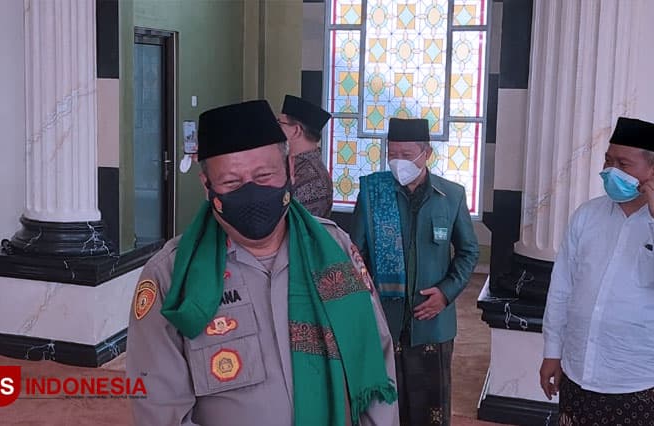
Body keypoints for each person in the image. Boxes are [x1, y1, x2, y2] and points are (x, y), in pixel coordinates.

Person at [126, 99, 399, 426]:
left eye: (264, 175)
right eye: (231, 182)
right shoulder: (170, 277)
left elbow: (376, 361)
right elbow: (159, 409)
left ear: (290, 170)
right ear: (207, 187)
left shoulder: (336, 250)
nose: (251, 192)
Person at [540, 117, 654, 425]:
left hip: (641, 380)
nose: (611, 171)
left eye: (623, 164)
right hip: (578, 370)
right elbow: (562, 288)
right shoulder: (587, 215)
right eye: (608, 161)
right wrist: (552, 351)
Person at [351, 117, 479, 426]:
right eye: (392, 153)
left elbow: (468, 252)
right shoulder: (373, 193)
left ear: (427, 153)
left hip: (432, 322)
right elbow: (355, 256)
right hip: (384, 320)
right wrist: (367, 302)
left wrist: (446, 293)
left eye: (406, 155)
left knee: (430, 408)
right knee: (386, 407)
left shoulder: (451, 196)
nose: (398, 161)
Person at [279, 94, 333, 217]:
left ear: (296, 131)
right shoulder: (291, 163)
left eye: (280, 123)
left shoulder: (314, 180)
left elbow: (292, 222)